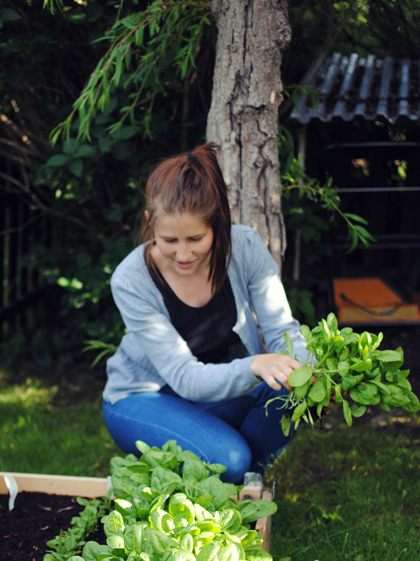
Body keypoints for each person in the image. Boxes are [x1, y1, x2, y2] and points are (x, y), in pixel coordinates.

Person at [101, 142, 307, 483]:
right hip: (144, 397)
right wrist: (255, 364)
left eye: (196, 238)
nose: (183, 254)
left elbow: (283, 330)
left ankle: (240, 485)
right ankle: (235, 473)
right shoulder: (130, 279)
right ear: (150, 223)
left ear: (218, 224)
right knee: (228, 458)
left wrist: (316, 377)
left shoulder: (245, 248)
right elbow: (184, 377)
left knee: (291, 392)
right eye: (169, 240)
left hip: (214, 392)